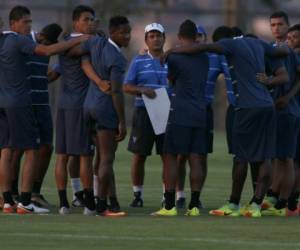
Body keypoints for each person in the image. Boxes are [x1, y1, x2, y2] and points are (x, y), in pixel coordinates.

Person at [162, 22, 289, 217]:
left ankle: (233, 204)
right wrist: (269, 80)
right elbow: (283, 54)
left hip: (246, 108)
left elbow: (202, 47)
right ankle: (255, 205)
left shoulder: (229, 44)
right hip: (267, 105)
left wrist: (171, 51)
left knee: (240, 158)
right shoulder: (257, 43)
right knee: (265, 156)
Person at [0, 5, 89, 214]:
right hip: (20, 102)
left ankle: (7, 201)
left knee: (7, 149)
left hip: (6, 102)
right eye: (26, 22)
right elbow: (47, 50)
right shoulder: (17, 40)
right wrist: (79, 39)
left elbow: (49, 59)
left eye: (30, 22)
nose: (29, 25)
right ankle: (24, 201)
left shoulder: (4, 40)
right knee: (29, 149)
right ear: (13, 24)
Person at [70, 15, 131, 216]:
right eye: (124, 32)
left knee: (100, 158)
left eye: (129, 32)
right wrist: (122, 121)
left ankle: (111, 201)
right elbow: (115, 91)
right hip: (104, 109)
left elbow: (74, 51)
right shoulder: (117, 58)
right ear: (113, 32)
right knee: (107, 158)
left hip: (88, 106)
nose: (128, 36)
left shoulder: (96, 42)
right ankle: (102, 205)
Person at [152, 20, 209, 216]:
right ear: (196, 35)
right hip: (200, 111)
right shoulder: (204, 56)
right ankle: (194, 205)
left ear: (179, 36)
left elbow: (172, 79)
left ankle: (169, 206)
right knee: (195, 158)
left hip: (180, 111)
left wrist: (171, 52)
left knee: (170, 157)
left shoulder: (175, 57)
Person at [54, 5, 98, 215]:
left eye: (92, 20)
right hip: (79, 106)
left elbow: (57, 70)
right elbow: (86, 66)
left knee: (62, 155)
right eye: (86, 19)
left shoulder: (65, 42)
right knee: (84, 156)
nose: (91, 23)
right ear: (76, 22)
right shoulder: (81, 43)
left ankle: (63, 203)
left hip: (63, 105)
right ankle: (89, 204)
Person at [123, 23, 168, 208]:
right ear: (146, 40)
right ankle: (137, 195)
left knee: (168, 156)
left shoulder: (171, 60)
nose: (156, 39)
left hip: (166, 111)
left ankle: (168, 195)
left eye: (159, 35)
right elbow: (126, 86)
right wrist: (142, 90)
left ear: (164, 38)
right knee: (139, 155)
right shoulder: (138, 61)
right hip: (144, 111)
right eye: (152, 36)